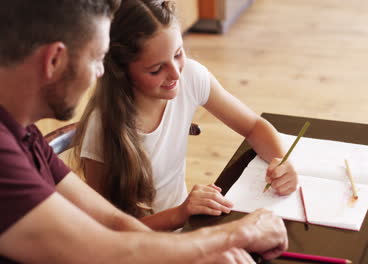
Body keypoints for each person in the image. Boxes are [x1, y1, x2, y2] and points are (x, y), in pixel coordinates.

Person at [0, 1, 288, 263]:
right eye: (97, 58)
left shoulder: (25, 135)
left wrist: (200, 253)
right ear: (54, 61)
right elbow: (106, 250)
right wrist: (236, 236)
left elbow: (117, 224)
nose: (102, 73)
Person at [73, 0, 299, 230]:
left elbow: (253, 126)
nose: (175, 73)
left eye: (178, 53)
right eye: (156, 69)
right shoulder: (102, 129)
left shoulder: (190, 76)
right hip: (140, 245)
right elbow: (105, 231)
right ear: (122, 72)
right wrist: (179, 214)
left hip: (184, 227)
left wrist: (281, 161)